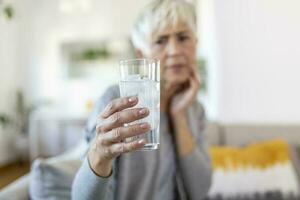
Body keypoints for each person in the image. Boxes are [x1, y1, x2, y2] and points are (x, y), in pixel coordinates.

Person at [72, 0, 212, 199]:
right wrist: (98, 156)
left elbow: (200, 191)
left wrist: (179, 116)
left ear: (195, 45)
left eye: (183, 37)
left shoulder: (195, 109)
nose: (174, 51)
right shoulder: (116, 101)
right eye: (160, 41)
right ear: (141, 54)